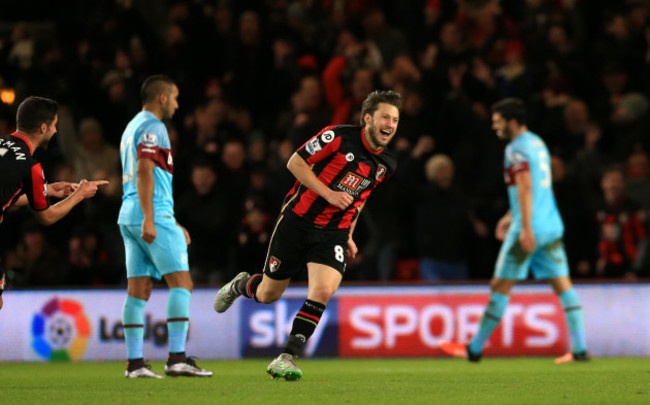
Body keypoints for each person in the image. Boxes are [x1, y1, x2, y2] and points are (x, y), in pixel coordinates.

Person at [213, 90, 403, 380]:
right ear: (367, 119)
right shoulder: (337, 137)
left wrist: (349, 234)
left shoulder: (387, 163)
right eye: (385, 117)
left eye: (395, 119)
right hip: (297, 223)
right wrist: (328, 193)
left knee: (324, 291)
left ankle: (286, 357)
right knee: (268, 294)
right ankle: (241, 285)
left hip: (334, 232)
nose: (390, 124)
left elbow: (360, 199)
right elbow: (295, 162)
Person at [438, 98, 589, 364]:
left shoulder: (515, 148)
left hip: (529, 228)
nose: (494, 126)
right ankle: (579, 349)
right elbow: (538, 188)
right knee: (563, 285)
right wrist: (511, 215)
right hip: (551, 225)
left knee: (500, 285)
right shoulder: (538, 143)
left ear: (512, 121)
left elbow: (525, 185)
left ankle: (474, 349)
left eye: (498, 121)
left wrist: (524, 225)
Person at [117, 75, 211, 379]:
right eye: (174, 97)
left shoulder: (131, 127)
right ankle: (177, 358)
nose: (176, 104)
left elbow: (147, 176)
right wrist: (152, 217)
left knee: (138, 291)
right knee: (182, 284)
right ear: (161, 98)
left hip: (129, 214)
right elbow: (146, 169)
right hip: (150, 214)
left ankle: (135, 364)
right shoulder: (155, 127)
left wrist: (168, 219)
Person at [0, 96, 107, 310]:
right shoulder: (31, 166)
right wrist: (80, 194)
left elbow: (4, 197)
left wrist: (46, 189)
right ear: (43, 128)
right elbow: (46, 217)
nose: (56, 131)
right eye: (54, 125)